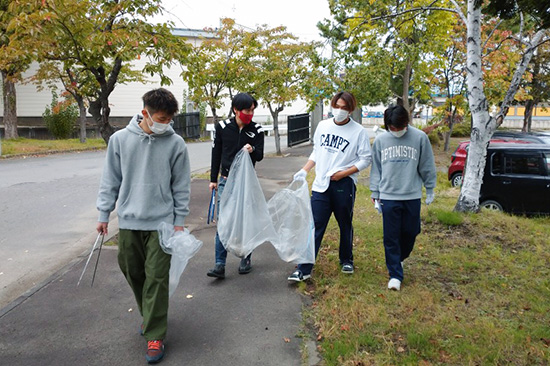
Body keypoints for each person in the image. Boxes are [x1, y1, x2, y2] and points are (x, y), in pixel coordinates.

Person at [96, 88, 190, 364]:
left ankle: (155, 334)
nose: (166, 124)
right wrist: (104, 214)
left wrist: (179, 222)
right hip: (129, 221)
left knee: (157, 278)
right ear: (145, 112)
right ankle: (150, 316)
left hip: (162, 222)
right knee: (133, 271)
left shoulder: (176, 144)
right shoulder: (120, 140)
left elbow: (181, 186)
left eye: (169, 119)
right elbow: (110, 180)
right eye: (161, 118)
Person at [288, 91, 372, 282]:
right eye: (338, 106)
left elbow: (366, 158)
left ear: (350, 110)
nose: (340, 111)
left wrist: (344, 173)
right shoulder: (323, 126)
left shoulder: (358, 131)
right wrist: (304, 170)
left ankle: (346, 259)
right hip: (320, 186)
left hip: (343, 184)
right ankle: (304, 268)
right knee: (315, 225)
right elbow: (317, 151)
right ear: (332, 105)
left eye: (344, 108)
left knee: (345, 223)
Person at [370, 105, 436, 291]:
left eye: (400, 127)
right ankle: (395, 275)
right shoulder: (381, 140)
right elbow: (376, 168)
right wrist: (375, 193)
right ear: (387, 125)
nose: (397, 131)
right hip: (388, 195)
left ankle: (398, 258)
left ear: (406, 122)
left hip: (411, 194)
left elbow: (427, 164)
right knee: (391, 236)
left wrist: (430, 188)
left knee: (411, 231)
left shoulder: (419, 138)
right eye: (393, 128)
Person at [207, 92, 264, 279]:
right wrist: (213, 179)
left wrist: (252, 149)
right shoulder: (222, 127)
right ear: (235, 110)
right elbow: (216, 153)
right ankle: (219, 264)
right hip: (225, 180)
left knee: (245, 220)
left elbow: (260, 155)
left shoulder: (256, 129)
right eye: (247, 110)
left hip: (246, 182)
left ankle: (246, 258)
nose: (250, 114)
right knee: (224, 220)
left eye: (253, 110)